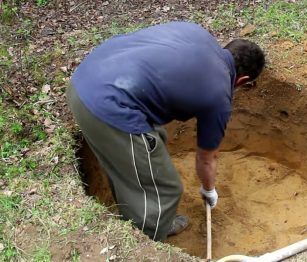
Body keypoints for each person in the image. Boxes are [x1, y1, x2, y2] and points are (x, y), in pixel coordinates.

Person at [66, 21, 265, 241]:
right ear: (242, 79)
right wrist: (209, 189)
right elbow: (206, 160)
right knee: (166, 189)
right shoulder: (219, 96)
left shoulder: (196, 32)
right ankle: (147, 241)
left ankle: (133, 216)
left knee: (153, 140)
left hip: (84, 79)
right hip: (107, 106)